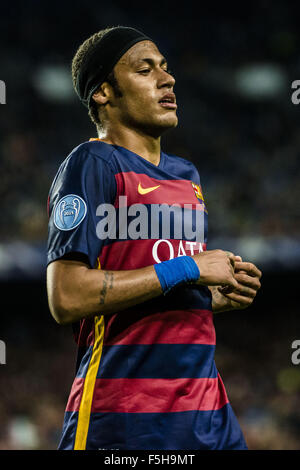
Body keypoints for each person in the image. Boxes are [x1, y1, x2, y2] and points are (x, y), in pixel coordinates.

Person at [46, 26, 262, 450]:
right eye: (145, 70)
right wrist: (190, 267)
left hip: (208, 414)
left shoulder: (188, 177)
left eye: (165, 68)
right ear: (103, 93)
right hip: (127, 421)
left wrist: (207, 296)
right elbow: (66, 296)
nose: (168, 79)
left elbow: (156, 281)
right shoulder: (91, 163)